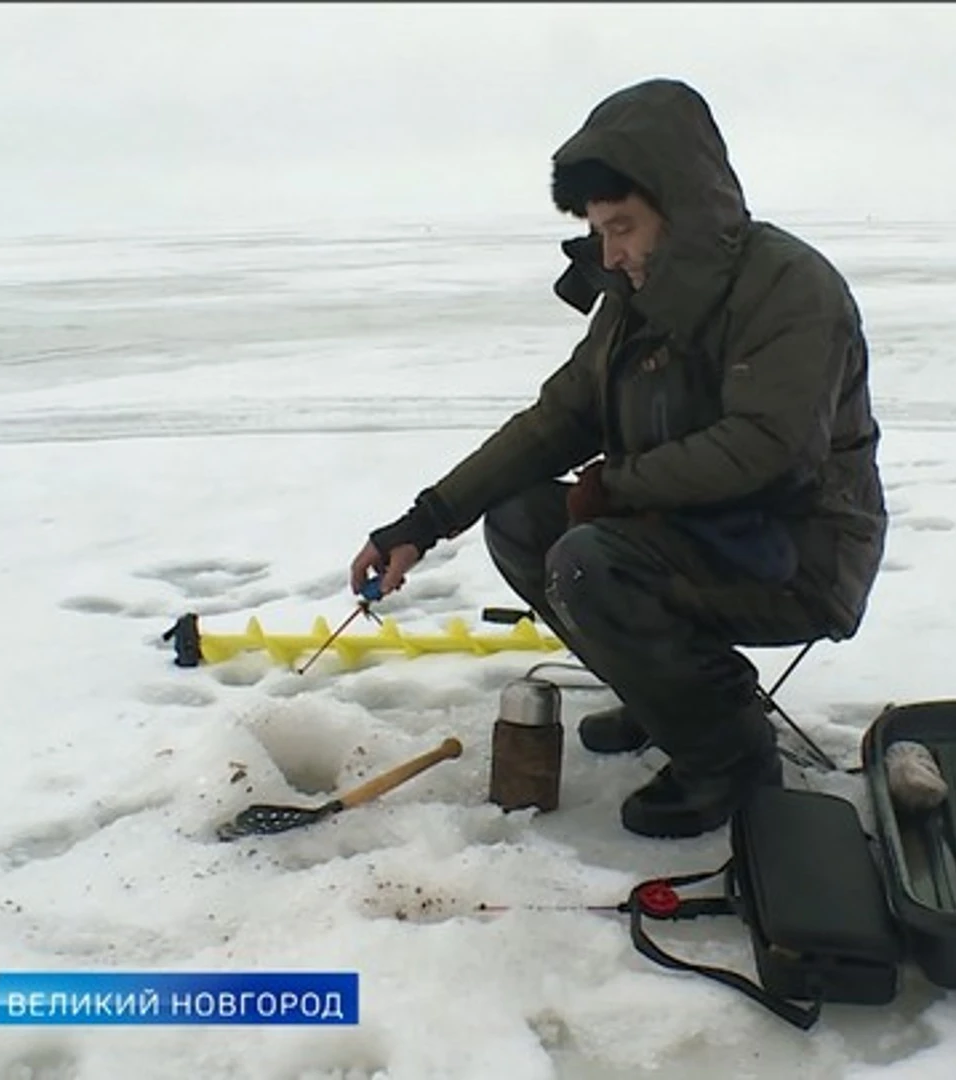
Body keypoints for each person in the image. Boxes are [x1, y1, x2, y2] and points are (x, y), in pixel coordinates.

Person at [350, 78, 887, 839]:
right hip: (699, 532)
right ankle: (664, 691)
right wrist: (424, 520)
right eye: (601, 231)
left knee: (588, 559)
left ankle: (729, 754)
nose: (611, 252)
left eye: (624, 227)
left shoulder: (790, 289)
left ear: (684, 208)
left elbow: (771, 448)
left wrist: (618, 486)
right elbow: (554, 422)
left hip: (801, 552)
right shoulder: (633, 306)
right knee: (520, 519)